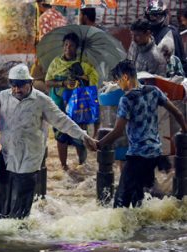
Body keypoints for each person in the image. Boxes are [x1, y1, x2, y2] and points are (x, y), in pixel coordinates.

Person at [0, 63, 97, 220]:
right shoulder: (3, 97)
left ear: (30, 83)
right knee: (2, 197)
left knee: (21, 202)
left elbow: (62, 121)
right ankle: (0, 231)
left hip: (29, 157)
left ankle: (18, 233)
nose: (17, 90)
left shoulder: (42, 101)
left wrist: (83, 136)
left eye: (21, 86)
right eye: (14, 86)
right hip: (7, 154)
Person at [97, 60, 187, 208]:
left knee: (120, 204)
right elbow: (177, 113)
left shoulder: (126, 100)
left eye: (118, 81)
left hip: (137, 157)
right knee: (139, 198)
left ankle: (128, 230)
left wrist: (99, 144)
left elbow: (118, 131)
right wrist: (184, 130)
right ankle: (142, 230)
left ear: (125, 77)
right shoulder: (154, 91)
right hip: (155, 154)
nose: (119, 85)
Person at [45, 32, 99, 171]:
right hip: (59, 105)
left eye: (72, 45)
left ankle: (82, 165)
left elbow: (93, 82)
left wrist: (82, 77)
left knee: (80, 135)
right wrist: (63, 83)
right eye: (66, 45)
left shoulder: (84, 63)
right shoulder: (56, 63)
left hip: (78, 107)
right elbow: (48, 82)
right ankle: (64, 167)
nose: (68, 48)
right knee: (60, 135)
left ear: (77, 48)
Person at [145, 0, 186, 72]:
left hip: (168, 76)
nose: (154, 18)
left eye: (156, 15)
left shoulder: (171, 32)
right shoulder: (148, 32)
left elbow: (179, 59)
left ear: (163, 15)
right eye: (151, 16)